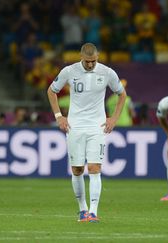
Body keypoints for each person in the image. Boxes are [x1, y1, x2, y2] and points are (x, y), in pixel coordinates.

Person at [47, 43, 126, 222]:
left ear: (97, 57)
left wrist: (114, 118)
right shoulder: (69, 71)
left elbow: (122, 94)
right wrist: (59, 116)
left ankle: (93, 212)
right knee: (77, 169)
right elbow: (52, 91)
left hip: (97, 127)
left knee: (94, 168)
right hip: (74, 126)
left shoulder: (107, 73)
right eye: (88, 61)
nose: (91, 65)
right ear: (81, 57)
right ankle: (82, 209)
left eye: (94, 61)